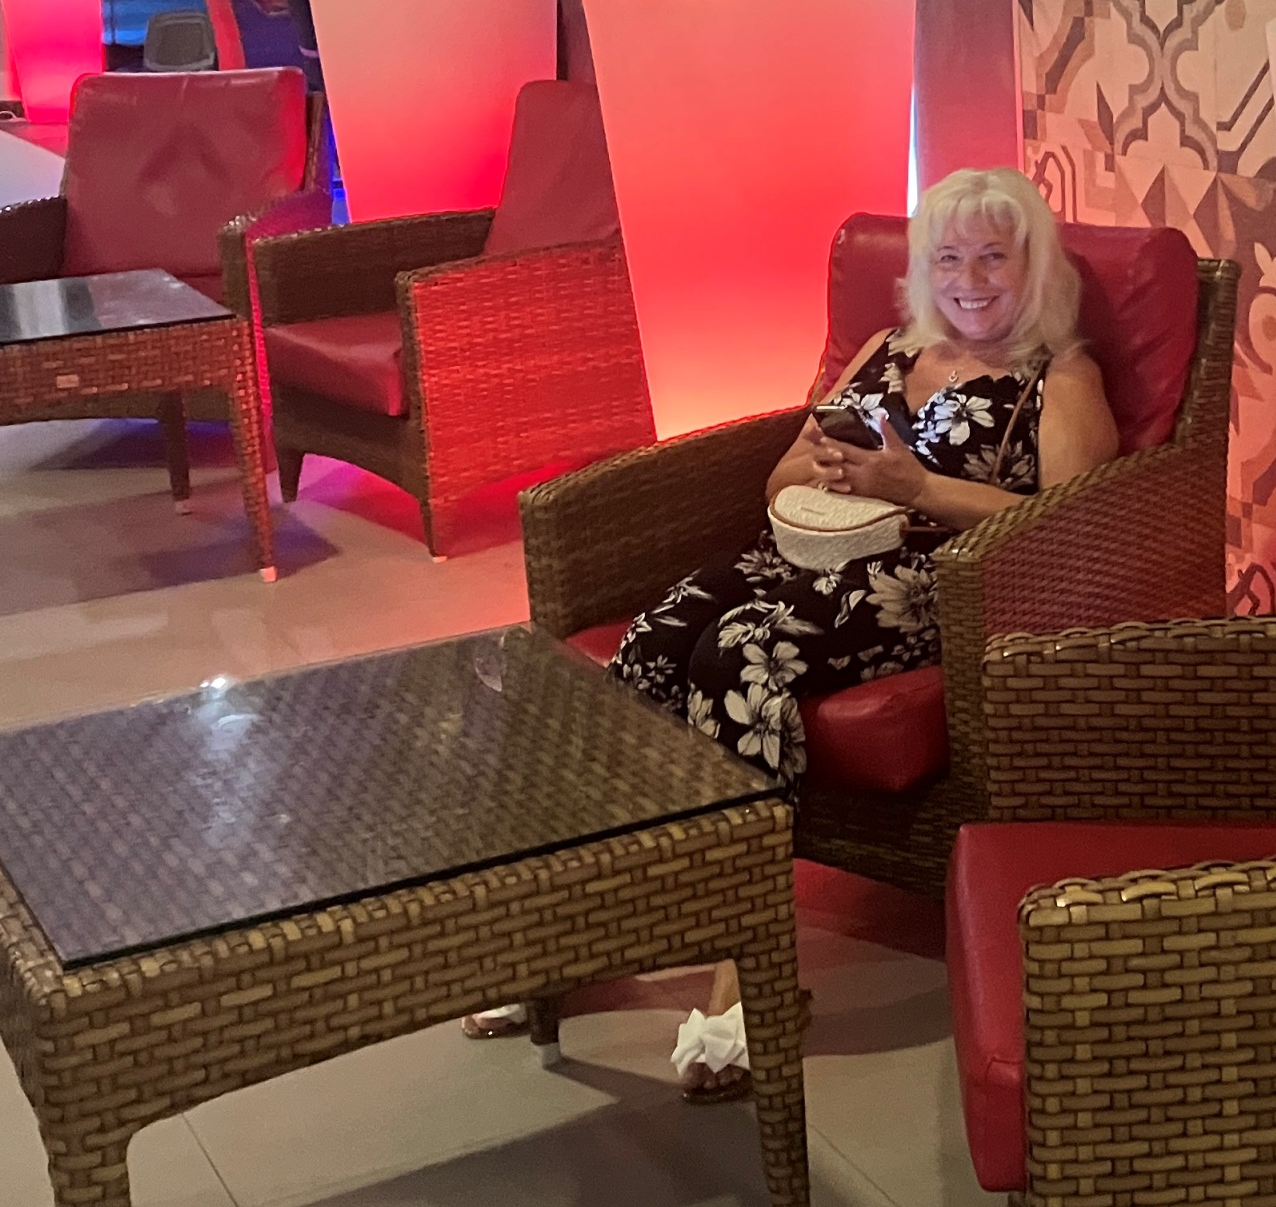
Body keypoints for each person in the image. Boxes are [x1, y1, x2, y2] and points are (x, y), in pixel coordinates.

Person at [471, 167, 1122, 1097]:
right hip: (809, 550)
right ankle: (577, 915)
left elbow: (1069, 524)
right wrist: (824, 467)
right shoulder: (887, 349)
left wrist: (918, 488)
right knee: (655, 640)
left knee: (741, 655)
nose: (970, 279)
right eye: (949, 257)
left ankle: (748, 976)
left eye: (993, 256)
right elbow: (778, 480)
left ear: (1035, 265)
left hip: (930, 580)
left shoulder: (1060, 374)